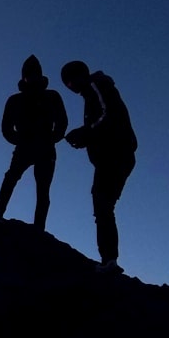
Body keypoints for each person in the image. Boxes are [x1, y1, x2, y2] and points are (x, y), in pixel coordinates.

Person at [60, 60, 138, 274]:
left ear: (79, 76)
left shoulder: (96, 85)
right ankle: (109, 260)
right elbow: (102, 124)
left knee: (102, 205)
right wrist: (86, 137)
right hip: (114, 156)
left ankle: (109, 261)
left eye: (69, 81)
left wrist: (84, 132)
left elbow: (108, 115)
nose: (70, 86)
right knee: (104, 206)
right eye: (67, 84)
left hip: (115, 154)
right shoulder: (92, 91)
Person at [0, 55, 68, 231]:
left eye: (35, 74)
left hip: (46, 147)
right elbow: (6, 127)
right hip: (24, 147)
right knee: (10, 179)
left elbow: (62, 121)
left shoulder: (52, 96)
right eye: (29, 74)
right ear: (23, 77)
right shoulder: (15, 100)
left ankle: (39, 227)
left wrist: (51, 138)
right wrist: (19, 140)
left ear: (40, 75)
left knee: (43, 189)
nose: (32, 78)